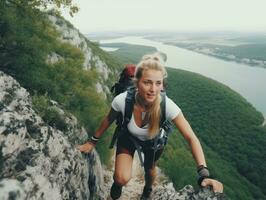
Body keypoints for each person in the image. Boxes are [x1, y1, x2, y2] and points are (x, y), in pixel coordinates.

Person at [77, 53, 223, 199]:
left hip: (153, 144)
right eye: (147, 82)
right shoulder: (122, 101)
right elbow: (108, 119)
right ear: (137, 82)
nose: (153, 89)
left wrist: (203, 173)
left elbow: (191, 137)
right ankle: (117, 183)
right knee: (121, 178)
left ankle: (147, 189)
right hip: (128, 138)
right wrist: (92, 142)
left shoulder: (168, 106)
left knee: (150, 170)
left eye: (158, 83)